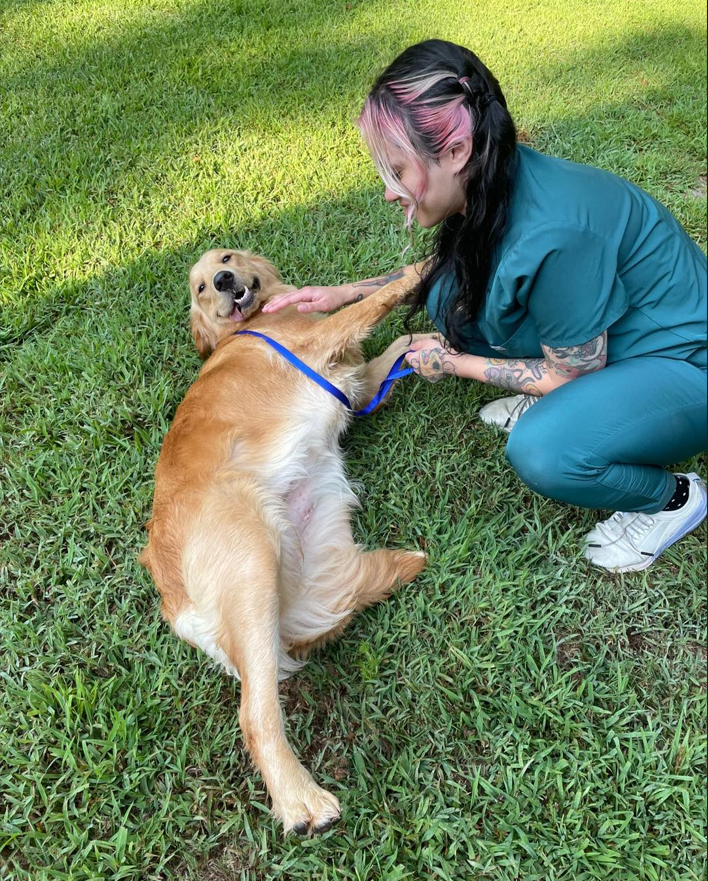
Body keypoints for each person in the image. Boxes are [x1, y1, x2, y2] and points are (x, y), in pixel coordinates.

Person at [262, 39, 707, 573]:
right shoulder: (490, 177)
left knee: (544, 449)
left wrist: (453, 363)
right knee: (453, 298)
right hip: (614, 335)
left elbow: (570, 374)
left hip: (684, 363)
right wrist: (346, 293)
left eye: (399, 171)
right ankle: (570, 404)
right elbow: (444, 270)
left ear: (454, 152)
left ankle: (673, 499)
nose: (389, 192)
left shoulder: (555, 235)